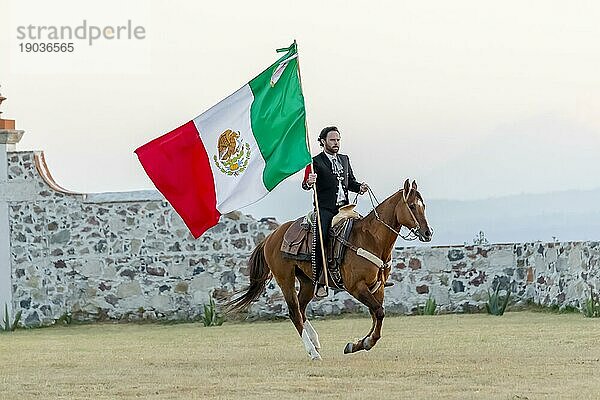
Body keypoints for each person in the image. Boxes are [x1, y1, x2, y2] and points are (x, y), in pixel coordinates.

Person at [302, 126, 369, 297]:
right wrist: (310, 181)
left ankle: (371, 274)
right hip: (325, 209)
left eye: (338, 140)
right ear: (323, 141)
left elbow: (350, 182)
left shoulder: (345, 159)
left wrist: (359, 187)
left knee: (365, 230)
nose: (336, 143)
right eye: (332, 140)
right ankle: (319, 281)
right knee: (321, 239)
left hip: (345, 209)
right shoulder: (314, 161)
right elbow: (305, 185)